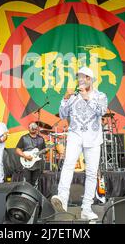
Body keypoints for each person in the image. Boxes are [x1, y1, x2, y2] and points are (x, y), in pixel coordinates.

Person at [51, 67, 108, 221]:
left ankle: (87, 208)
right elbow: (62, 114)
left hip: (93, 138)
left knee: (91, 173)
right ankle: (62, 199)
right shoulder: (74, 96)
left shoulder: (100, 95)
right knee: (68, 165)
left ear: (90, 79)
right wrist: (65, 97)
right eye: (79, 78)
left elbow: (101, 111)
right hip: (75, 135)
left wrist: (87, 98)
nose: (80, 81)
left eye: (83, 78)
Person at [15, 122, 46, 187]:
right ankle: (26, 196)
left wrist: (47, 150)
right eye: (31, 127)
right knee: (27, 183)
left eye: (34, 127)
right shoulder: (24, 138)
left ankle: (34, 196)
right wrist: (25, 156)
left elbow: (44, 150)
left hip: (37, 164)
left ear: (37, 129)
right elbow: (18, 149)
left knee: (35, 183)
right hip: (26, 164)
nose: (33, 129)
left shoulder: (41, 139)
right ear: (28, 128)